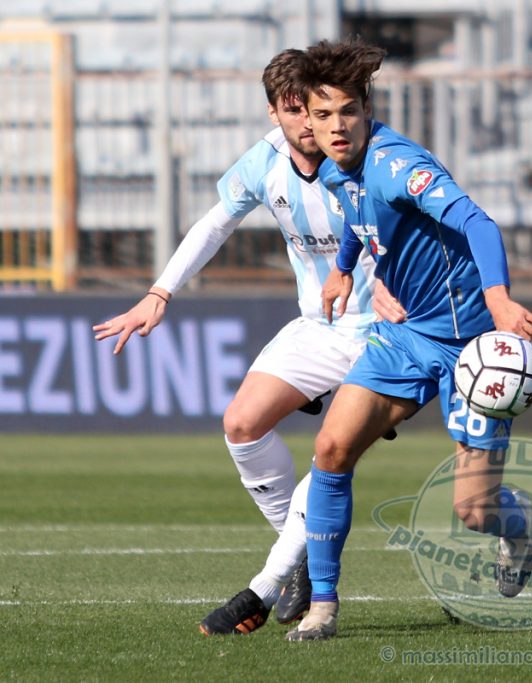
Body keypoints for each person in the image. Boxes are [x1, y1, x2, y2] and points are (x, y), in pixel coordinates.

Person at [92, 48, 384, 635]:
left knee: (332, 451)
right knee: (242, 424)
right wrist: (160, 291)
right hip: (319, 324)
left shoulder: (371, 155)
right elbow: (215, 222)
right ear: (274, 112)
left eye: (314, 108)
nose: (309, 123)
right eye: (293, 110)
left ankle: (273, 579)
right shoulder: (264, 162)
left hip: (386, 331)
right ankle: (299, 557)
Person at [281, 38, 532, 642]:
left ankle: (516, 523)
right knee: (331, 449)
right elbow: (359, 218)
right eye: (323, 114)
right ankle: (323, 607)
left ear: (367, 109)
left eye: (348, 111)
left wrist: (498, 298)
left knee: (473, 510)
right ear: (308, 121)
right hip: (404, 337)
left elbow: (476, 221)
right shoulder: (336, 170)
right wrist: (344, 268)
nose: (337, 126)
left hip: (472, 350)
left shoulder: (400, 165)